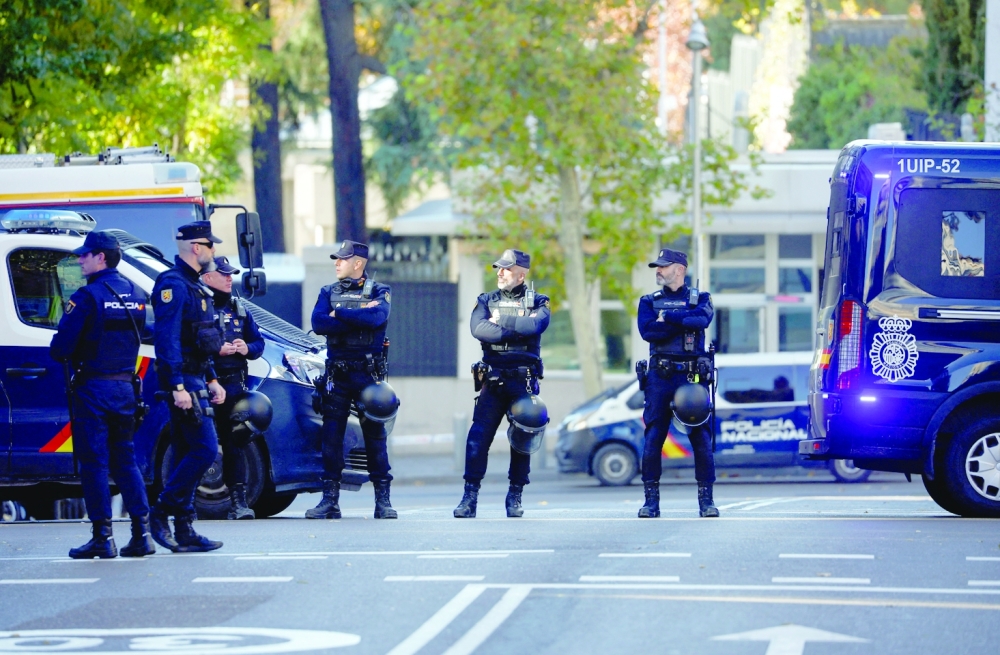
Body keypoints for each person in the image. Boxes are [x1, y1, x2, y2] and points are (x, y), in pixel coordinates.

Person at [50, 230, 156, 559]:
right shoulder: (137, 294)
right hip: (125, 387)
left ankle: (103, 537)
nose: (80, 259)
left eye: (86, 254)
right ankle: (142, 534)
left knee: (94, 464)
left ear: (102, 257)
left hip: (93, 389)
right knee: (125, 462)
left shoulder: (87, 297)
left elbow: (61, 349)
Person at [454, 249, 550, 519]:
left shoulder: (539, 301)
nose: (500, 272)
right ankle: (469, 497)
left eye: (506, 268)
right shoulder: (486, 299)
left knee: (523, 437)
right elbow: (478, 329)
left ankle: (515, 496)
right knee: (477, 438)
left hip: (523, 380)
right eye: (499, 267)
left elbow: (536, 327)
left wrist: (502, 322)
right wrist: (518, 326)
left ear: (521, 273)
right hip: (494, 379)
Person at [150, 220, 227, 551]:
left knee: (185, 451)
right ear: (197, 248)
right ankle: (162, 511)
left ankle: (184, 529)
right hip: (183, 382)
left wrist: (211, 378)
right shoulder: (174, 285)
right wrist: (178, 386)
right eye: (211, 246)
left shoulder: (194, 286)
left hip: (196, 377)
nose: (214, 251)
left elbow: (197, 340)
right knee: (206, 449)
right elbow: (166, 341)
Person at [307, 240, 396, 520]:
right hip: (338, 375)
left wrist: (341, 313)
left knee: (375, 438)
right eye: (337, 259)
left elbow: (377, 317)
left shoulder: (381, 291)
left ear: (358, 263)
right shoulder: (327, 291)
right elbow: (319, 323)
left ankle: (383, 502)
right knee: (331, 438)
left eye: (342, 259)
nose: (337, 263)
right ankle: (329, 501)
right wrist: (358, 313)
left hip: (367, 375)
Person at [637, 247, 718, 518]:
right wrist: (686, 321)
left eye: (663, 266)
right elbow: (649, 332)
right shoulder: (649, 300)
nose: (658, 271)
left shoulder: (701, 297)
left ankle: (706, 501)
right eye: (657, 267)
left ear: (680, 270)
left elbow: (702, 318)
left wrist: (669, 317)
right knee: (653, 438)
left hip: (691, 376)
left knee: (701, 439)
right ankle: (651, 502)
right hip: (660, 376)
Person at [202, 256, 265, 520]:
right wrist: (217, 349)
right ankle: (185, 503)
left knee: (235, 445)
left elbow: (259, 343)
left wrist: (246, 348)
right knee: (199, 445)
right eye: (224, 274)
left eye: (231, 274)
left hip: (234, 387)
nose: (230, 278)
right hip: (205, 387)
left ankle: (238, 502)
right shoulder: (200, 307)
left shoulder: (239, 309)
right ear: (207, 277)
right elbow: (190, 346)